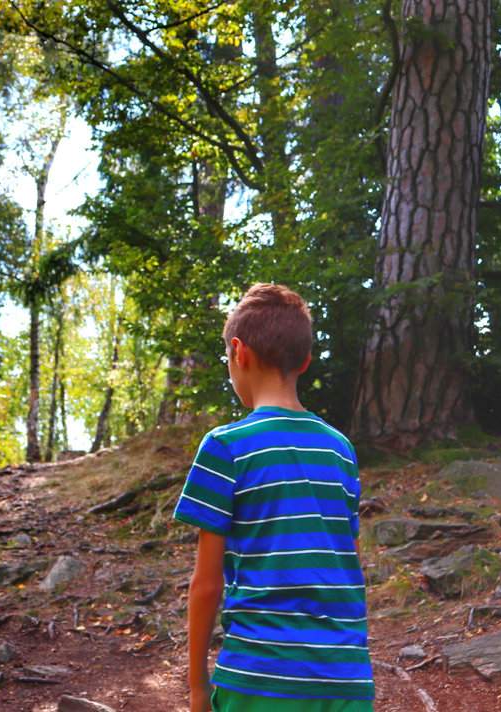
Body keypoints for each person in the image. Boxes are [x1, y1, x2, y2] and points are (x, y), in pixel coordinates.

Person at [173, 283, 374, 712]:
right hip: (344, 678)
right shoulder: (340, 450)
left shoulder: (226, 447)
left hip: (257, 679)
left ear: (239, 353)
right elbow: (348, 566)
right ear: (304, 361)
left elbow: (207, 584)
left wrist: (197, 687)